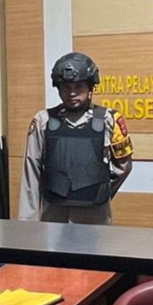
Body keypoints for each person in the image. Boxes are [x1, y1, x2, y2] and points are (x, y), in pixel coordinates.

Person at [19, 52, 133, 224]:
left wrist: (100, 191)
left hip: (95, 218)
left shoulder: (109, 120)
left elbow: (123, 167)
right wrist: (28, 226)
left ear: (90, 87)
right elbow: (31, 175)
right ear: (58, 88)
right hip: (54, 217)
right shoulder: (43, 121)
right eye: (66, 87)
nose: (72, 93)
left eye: (78, 86)